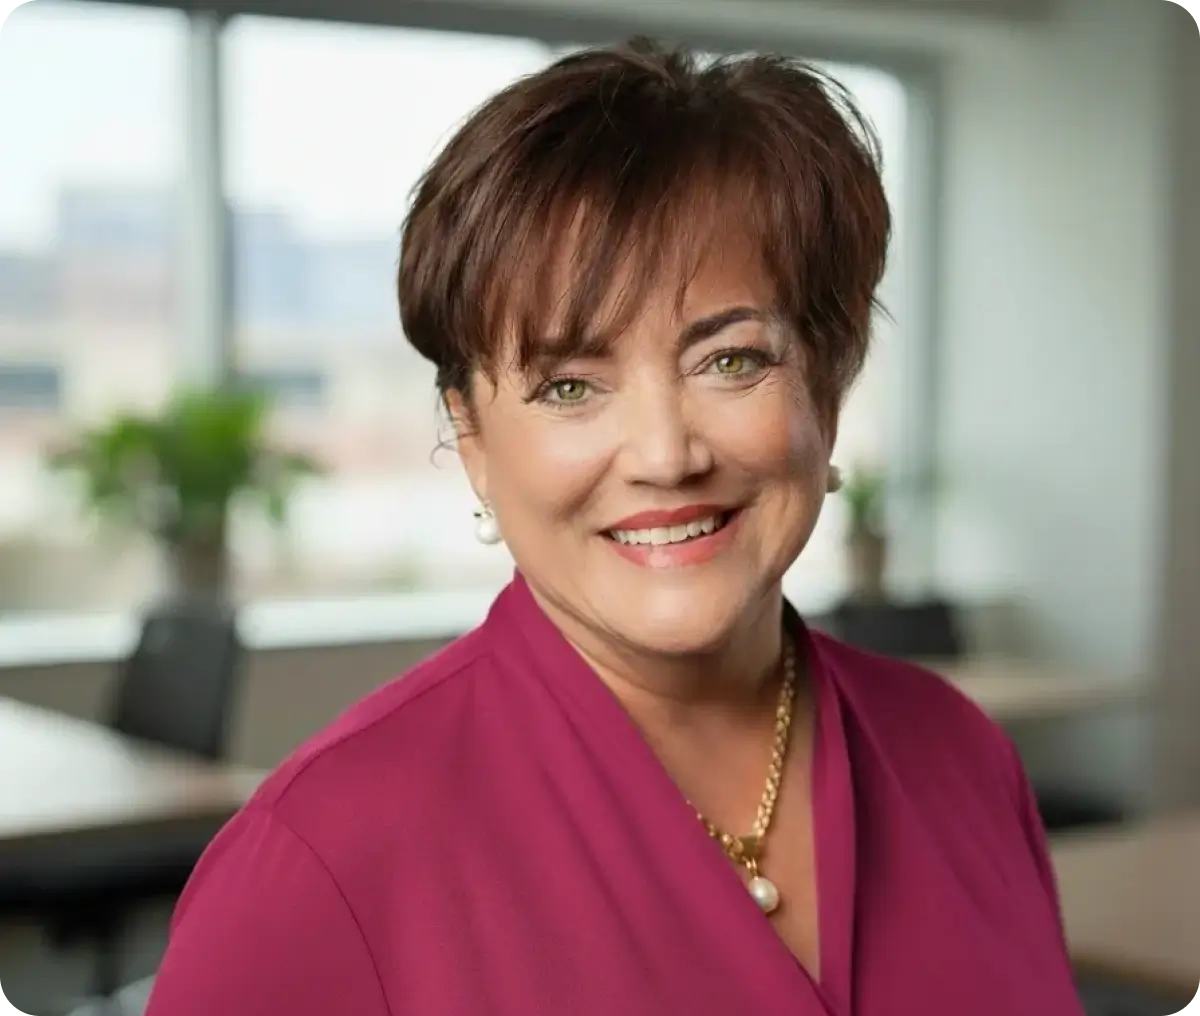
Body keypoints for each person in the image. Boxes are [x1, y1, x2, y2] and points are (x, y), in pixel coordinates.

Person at [145, 40, 1084, 1015]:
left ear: (830, 383)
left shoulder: (963, 758)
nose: (665, 453)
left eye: (730, 361)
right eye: (568, 384)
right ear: (470, 436)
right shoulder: (320, 861)